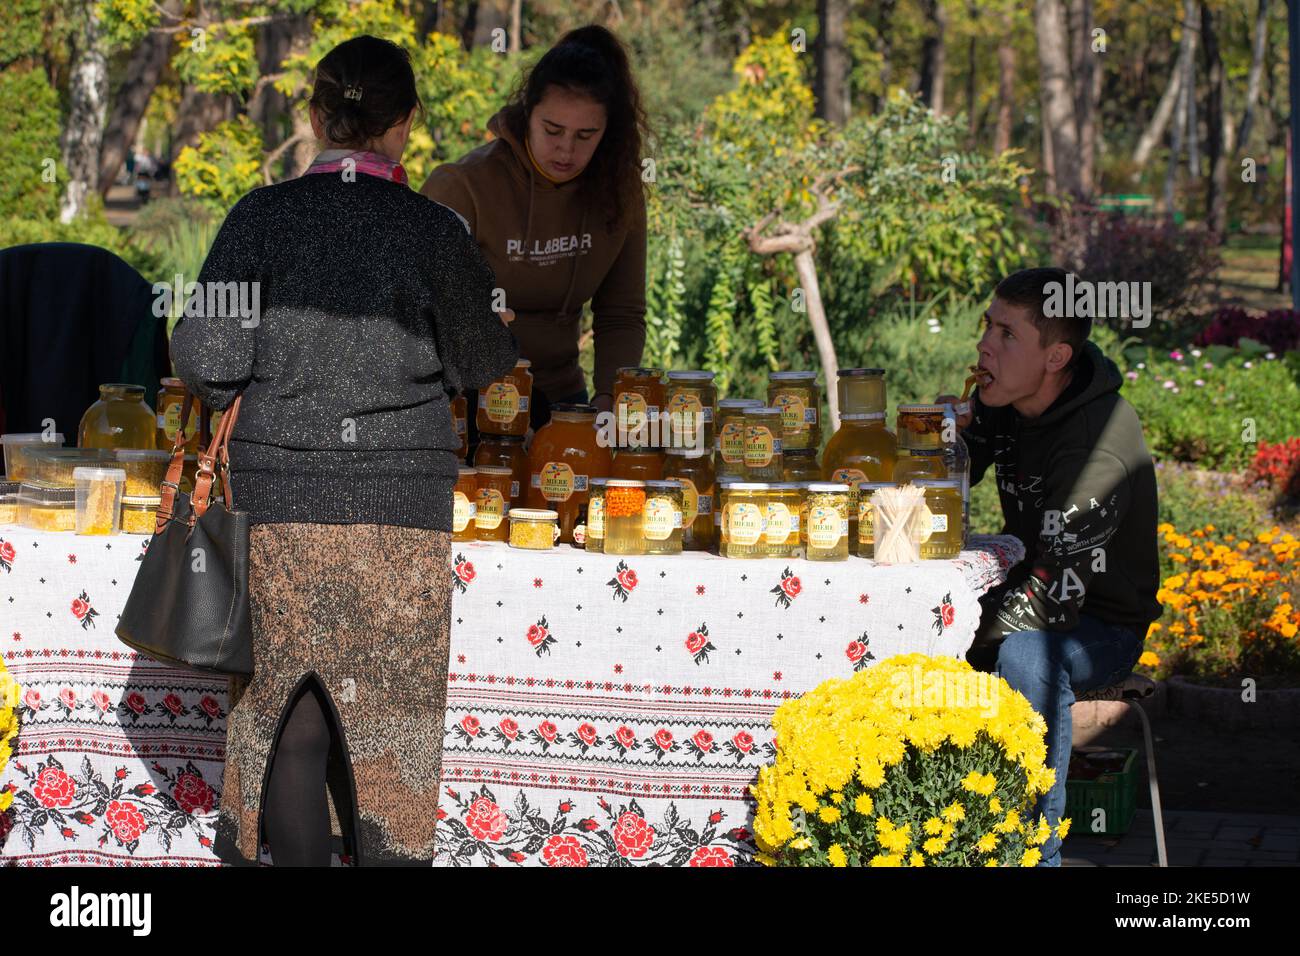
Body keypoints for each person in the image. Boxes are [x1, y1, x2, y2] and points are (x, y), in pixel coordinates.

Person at [170, 35, 518, 867]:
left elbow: (206, 358)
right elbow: (480, 364)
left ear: (317, 116)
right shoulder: (436, 229)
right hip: (402, 514)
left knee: (287, 725)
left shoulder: (259, 218)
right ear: (403, 125)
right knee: (385, 734)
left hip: (281, 504)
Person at [941, 266, 1162, 867]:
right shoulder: (1011, 401)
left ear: (1056, 356)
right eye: (988, 325)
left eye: (1007, 334)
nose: (985, 343)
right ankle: (927, 832)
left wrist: (967, 637)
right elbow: (958, 473)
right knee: (901, 619)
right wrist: (945, 441)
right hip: (1034, 594)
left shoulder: (1100, 440)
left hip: (1099, 624)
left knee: (1025, 655)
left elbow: (1056, 592)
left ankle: (1033, 853)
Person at [419, 23, 648, 442]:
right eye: (553, 130)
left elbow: (621, 314)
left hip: (567, 404)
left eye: (585, 135)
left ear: (608, 131)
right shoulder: (461, 185)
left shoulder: (619, 191)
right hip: (468, 408)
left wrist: (608, 402)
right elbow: (420, 313)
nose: (566, 149)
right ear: (527, 114)